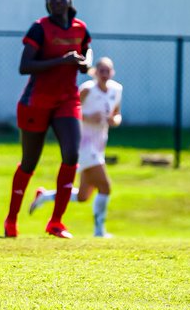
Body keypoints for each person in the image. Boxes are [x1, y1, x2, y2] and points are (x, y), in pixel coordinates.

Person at [3, 0, 91, 239]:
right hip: (36, 101)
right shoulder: (40, 28)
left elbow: (85, 60)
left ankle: (56, 222)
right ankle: (11, 220)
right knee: (29, 162)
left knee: (72, 155)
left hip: (67, 100)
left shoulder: (80, 29)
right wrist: (61, 61)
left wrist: (83, 64)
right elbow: (25, 66)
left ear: (69, 1)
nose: (56, 3)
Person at [28, 56, 122, 237]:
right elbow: (70, 109)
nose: (104, 74)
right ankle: (99, 231)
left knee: (83, 196)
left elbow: (117, 115)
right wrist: (88, 117)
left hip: (99, 144)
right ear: (95, 72)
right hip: (83, 144)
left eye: (107, 70)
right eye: (101, 70)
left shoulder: (117, 90)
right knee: (105, 187)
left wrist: (114, 120)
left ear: (112, 72)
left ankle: (45, 196)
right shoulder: (87, 89)